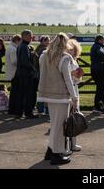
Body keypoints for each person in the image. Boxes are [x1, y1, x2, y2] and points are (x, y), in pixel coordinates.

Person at [38, 33, 78, 165]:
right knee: (59, 126)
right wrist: (74, 96)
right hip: (61, 96)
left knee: (54, 125)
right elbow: (67, 79)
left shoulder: (44, 55)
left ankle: (50, 151)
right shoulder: (65, 58)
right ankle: (56, 154)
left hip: (48, 94)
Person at [66, 37, 84, 152]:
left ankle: (73, 143)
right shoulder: (65, 60)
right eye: (70, 49)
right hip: (67, 90)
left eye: (73, 50)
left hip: (74, 88)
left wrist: (77, 75)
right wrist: (71, 74)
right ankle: (66, 145)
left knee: (74, 118)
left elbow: (77, 80)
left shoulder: (74, 61)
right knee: (66, 119)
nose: (71, 51)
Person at [15, 30, 38, 119]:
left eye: (31, 36)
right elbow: (25, 61)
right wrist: (33, 69)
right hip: (26, 74)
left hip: (21, 73)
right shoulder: (24, 46)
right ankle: (28, 113)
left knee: (21, 94)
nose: (31, 38)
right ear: (24, 36)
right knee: (28, 94)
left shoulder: (21, 45)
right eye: (29, 36)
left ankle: (19, 113)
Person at [90, 35, 104, 114]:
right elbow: (101, 54)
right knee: (100, 89)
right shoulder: (98, 47)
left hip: (95, 69)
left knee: (99, 88)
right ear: (100, 40)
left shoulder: (95, 46)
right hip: (99, 70)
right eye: (103, 40)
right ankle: (98, 106)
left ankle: (100, 106)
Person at [5, 35, 21, 115]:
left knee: (14, 91)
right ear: (17, 41)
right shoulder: (13, 49)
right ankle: (13, 109)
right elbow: (14, 61)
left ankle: (12, 109)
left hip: (12, 72)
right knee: (15, 92)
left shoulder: (10, 47)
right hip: (14, 73)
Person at [35, 36, 51, 115]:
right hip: (43, 73)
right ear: (42, 41)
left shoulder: (38, 48)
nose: (48, 42)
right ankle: (46, 110)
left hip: (39, 72)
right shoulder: (44, 50)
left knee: (41, 92)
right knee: (46, 92)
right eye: (47, 41)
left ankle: (40, 109)